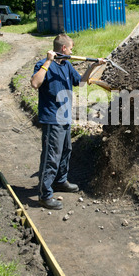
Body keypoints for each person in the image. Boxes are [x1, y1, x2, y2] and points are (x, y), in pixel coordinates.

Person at [31, 33, 105, 210]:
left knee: (66, 150)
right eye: (71, 48)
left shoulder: (67, 65)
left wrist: (93, 66)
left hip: (65, 117)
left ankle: (60, 181)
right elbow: (35, 83)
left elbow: (80, 82)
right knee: (52, 156)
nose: (72, 51)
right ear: (63, 48)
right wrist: (48, 62)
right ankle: (45, 194)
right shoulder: (43, 64)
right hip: (51, 118)